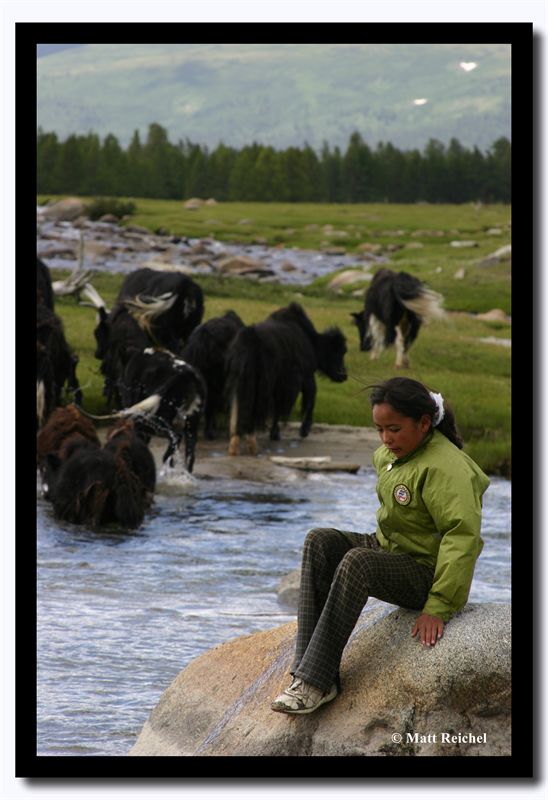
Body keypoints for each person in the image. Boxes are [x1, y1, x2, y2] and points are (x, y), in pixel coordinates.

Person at [271, 376, 490, 715]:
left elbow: (462, 537)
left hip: (424, 572)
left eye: (394, 429)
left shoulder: (448, 470)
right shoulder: (392, 454)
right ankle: (311, 673)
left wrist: (438, 606)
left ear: (424, 423)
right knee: (319, 540)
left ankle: (313, 683)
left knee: (359, 562)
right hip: (391, 548)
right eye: (380, 430)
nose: (386, 439)